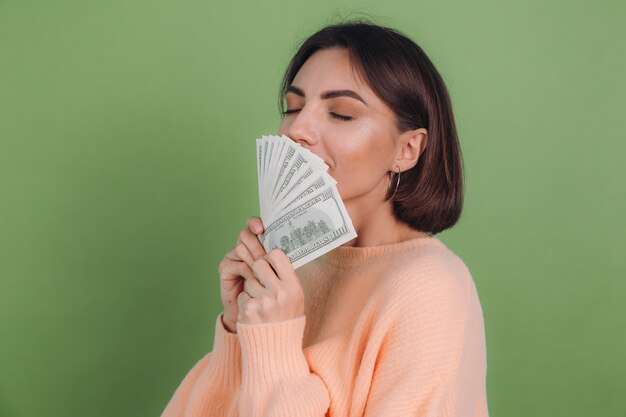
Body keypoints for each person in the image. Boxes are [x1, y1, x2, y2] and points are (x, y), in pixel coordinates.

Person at [161, 20, 489, 417]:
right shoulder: (296, 272)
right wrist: (237, 332)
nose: (298, 129)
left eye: (342, 113)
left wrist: (274, 339)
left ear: (407, 149)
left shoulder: (430, 288)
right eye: (293, 107)